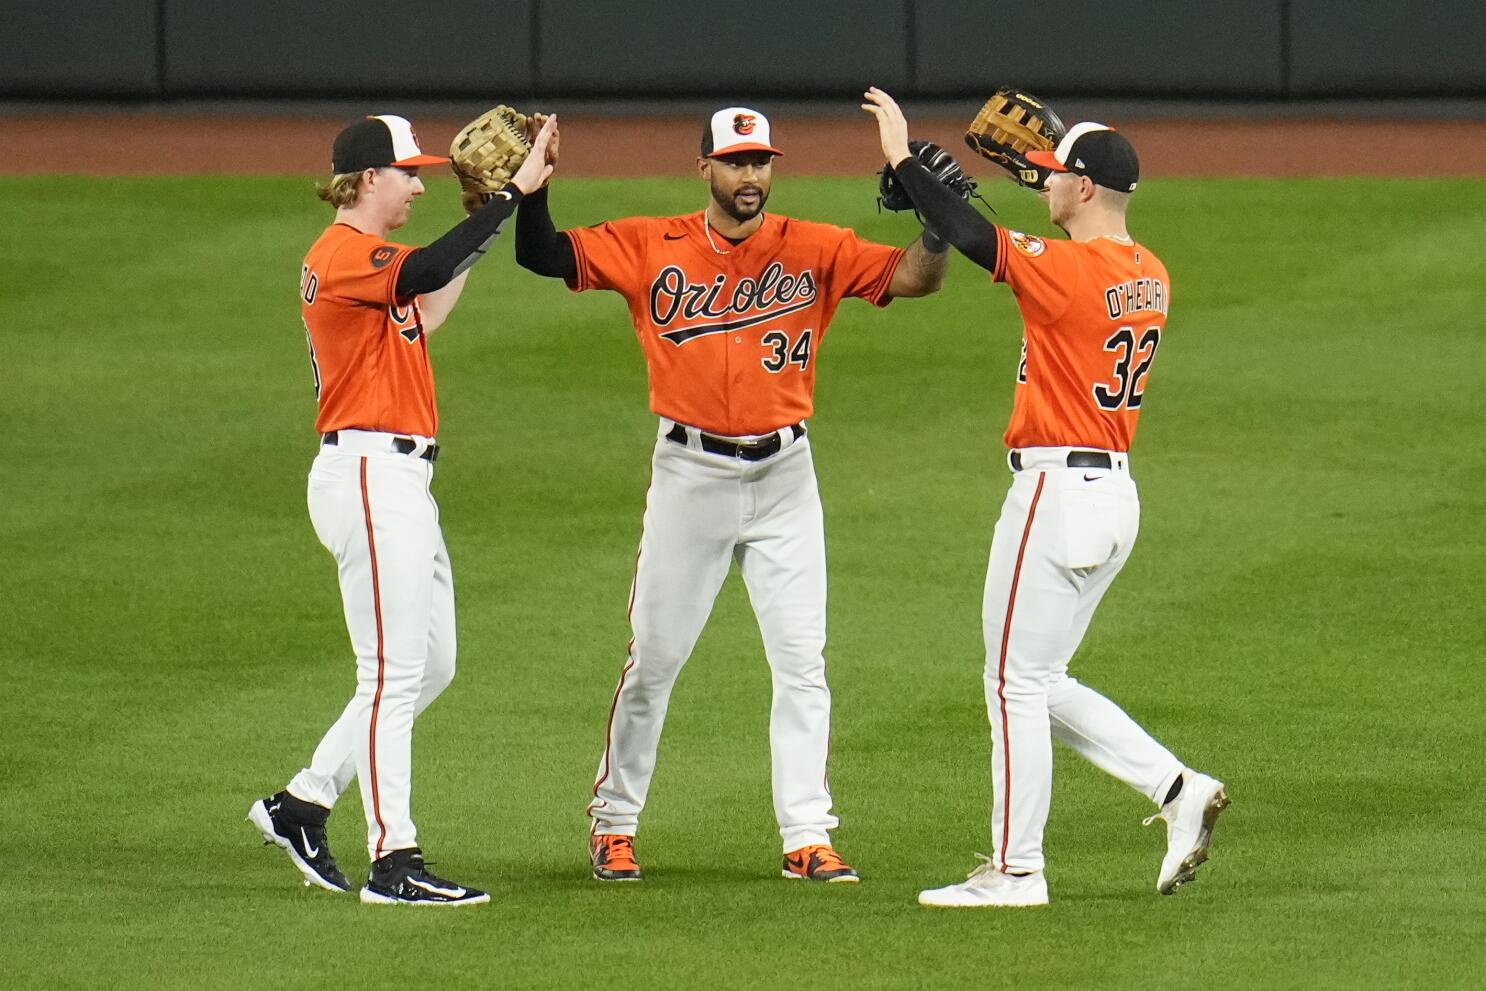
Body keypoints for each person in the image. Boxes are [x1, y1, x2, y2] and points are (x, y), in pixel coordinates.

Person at [515, 106, 947, 883]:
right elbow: (542, 256)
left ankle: (806, 835)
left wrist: (939, 224)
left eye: (761, 162)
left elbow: (913, 276)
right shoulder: (652, 242)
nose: (751, 176)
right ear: (704, 167)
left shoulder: (815, 246)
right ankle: (613, 822)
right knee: (654, 659)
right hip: (691, 477)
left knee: (801, 661)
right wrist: (535, 190)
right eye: (736, 162)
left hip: (787, 478)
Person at [862, 87, 1228, 907]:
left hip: (1056, 496)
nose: (1044, 182)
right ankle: (1179, 789)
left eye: (1057, 176)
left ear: (1087, 189)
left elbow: (973, 237)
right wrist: (1027, 178)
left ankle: (1015, 870)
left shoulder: (1069, 271)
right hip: (1112, 498)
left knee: (1011, 683)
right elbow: (1021, 220)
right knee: (1038, 676)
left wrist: (899, 157)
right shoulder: (1147, 271)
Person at [248, 112, 557, 906]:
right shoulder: (343, 253)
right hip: (367, 475)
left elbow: (430, 299)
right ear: (364, 179)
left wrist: (485, 218)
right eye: (407, 173)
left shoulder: (370, 264)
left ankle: (304, 801)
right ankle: (395, 861)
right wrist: (510, 198)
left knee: (432, 663)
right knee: (389, 673)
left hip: (397, 480)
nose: (420, 183)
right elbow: (421, 273)